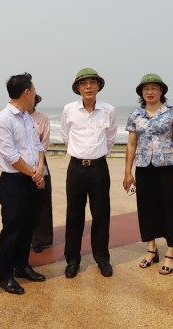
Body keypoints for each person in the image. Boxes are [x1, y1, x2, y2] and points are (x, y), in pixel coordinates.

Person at [123, 74, 173, 275]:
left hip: (168, 167)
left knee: (171, 208)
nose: (150, 92)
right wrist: (128, 172)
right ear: (141, 93)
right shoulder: (135, 115)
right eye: (146, 89)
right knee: (146, 208)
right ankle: (151, 249)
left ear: (161, 91)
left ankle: (170, 252)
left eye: (154, 88)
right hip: (144, 168)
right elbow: (131, 144)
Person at [0, 72, 47, 295]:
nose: (35, 94)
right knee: (12, 230)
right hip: (14, 182)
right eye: (34, 91)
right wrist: (35, 175)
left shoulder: (26, 117)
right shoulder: (3, 120)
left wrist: (40, 168)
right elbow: (11, 156)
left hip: (32, 178)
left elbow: (38, 146)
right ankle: (5, 275)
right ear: (26, 92)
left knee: (28, 227)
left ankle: (22, 266)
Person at [61, 68, 116, 278]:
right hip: (76, 168)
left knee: (101, 214)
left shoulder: (109, 110)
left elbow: (110, 139)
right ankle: (72, 260)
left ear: (98, 86)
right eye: (84, 83)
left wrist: (96, 156)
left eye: (92, 82)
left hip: (99, 168)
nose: (88, 87)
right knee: (74, 215)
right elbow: (66, 136)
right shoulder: (69, 110)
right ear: (78, 88)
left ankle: (102, 258)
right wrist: (81, 154)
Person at [29, 94, 54, 253]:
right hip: (22, 162)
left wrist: (39, 165)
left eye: (34, 99)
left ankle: (41, 239)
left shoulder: (42, 118)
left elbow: (44, 142)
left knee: (42, 198)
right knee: (24, 200)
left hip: (40, 160)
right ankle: (25, 236)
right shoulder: (17, 117)